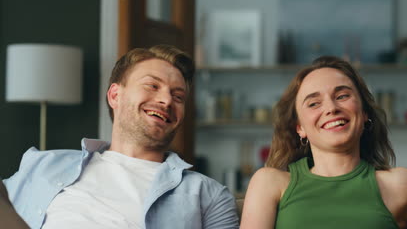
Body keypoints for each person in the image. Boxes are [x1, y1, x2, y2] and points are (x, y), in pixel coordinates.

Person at [3, 45, 239, 229]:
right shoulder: (42, 164)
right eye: (152, 86)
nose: (167, 101)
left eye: (178, 97)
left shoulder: (207, 195)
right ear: (115, 95)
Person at [240, 56, 407, 228]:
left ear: (365, 112)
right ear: (299, 128)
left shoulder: (400, 184)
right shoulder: (269, 182)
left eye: (342, 96)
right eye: (313, 103)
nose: (331, 108)